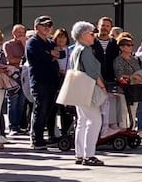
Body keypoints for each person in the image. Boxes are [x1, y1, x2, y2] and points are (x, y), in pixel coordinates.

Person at [69, 21, 108, 167]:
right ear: (84, 35)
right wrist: (103, 87)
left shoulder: (76, 49)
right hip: (88, 89)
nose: (94, 36)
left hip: (78, 88)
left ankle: (80, 154)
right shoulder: (85, 50)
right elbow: (93, 72)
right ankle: (89, 155)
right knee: (95, 120)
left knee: (82, 122)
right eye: (92, 33)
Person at [25, 15, 61, 150]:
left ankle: (47, 136)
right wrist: (51, 54)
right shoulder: (33, 42)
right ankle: (36, 139)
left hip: (52, 80)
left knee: (49, 110)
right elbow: (40, 57)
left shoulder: (50, 42)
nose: (47, 28)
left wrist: (51, 53)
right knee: (40, 109)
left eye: (49, 25)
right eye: (44, 25)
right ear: (36, 27)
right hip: (40, 81)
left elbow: (60, 54)